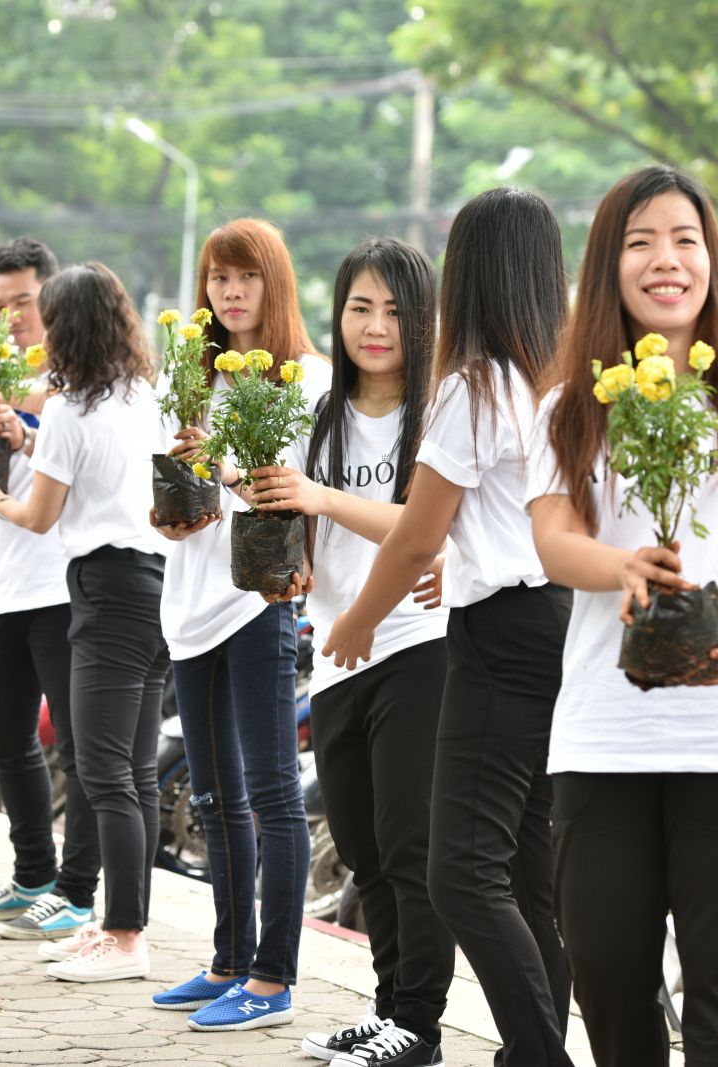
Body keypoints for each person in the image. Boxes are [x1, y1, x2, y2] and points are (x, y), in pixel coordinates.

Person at [525, 166, 718, 1066]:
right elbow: (553, 540)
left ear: (711, 260)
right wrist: (626, 568)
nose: (667, 260)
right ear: (608, 264)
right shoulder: (570, 405)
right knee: (607, 973)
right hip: (606, 734)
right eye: (641, 241)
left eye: (685, 240)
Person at [320, 188, 575, 1067]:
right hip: (554, 619)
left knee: (460, 872)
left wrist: (356, 619)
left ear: (471, 274)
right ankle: (532, 1050)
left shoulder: (471, 386)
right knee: (526, 876)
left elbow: (417, 530)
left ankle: (538, 1054)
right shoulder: (555, 382)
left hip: (497, 637)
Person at [245, 238, 455, 1061]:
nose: (375, 326)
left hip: (418, 644)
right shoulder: (315, 410)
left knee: (411, 846)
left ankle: (421, 1027)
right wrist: (283, 555)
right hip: (334, 649)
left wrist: (321, 495)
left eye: (396, 311)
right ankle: (388, 1007)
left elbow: (425, 531)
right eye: (361, 307)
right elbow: (296, 522)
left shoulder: (437, 413)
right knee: (364, 847)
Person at [146, 218, 325, 1032]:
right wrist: (173, 516)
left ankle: (272, 977)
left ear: (274, 283)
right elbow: (173, 492)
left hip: (258, 602)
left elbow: (284, 487)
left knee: (271, 794)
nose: (229, 291)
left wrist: (214, 463)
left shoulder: (305, 380)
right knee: (214, 797)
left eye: (245, 276)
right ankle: (226, 960)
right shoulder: (187, 378)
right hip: (187, 603)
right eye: (218, 278)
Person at [0, 261, 169, 983]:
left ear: (67, 329)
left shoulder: (66, 409)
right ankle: (125, 928)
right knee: (136, 773)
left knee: (106, 770)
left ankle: (121, 936)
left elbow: (40, 514)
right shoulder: (143, 395)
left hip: (102, 588)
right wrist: (25, 446)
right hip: (154, 584)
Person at [0, 238, 98, 942]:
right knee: (5, 737)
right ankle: (32, 873)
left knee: (77, 746)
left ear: (51, 296)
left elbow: (64, 448)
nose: (11, 315)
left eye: (23, 300)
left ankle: (78, 890)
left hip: (57, 581)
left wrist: (21, 423)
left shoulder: (77, 378)